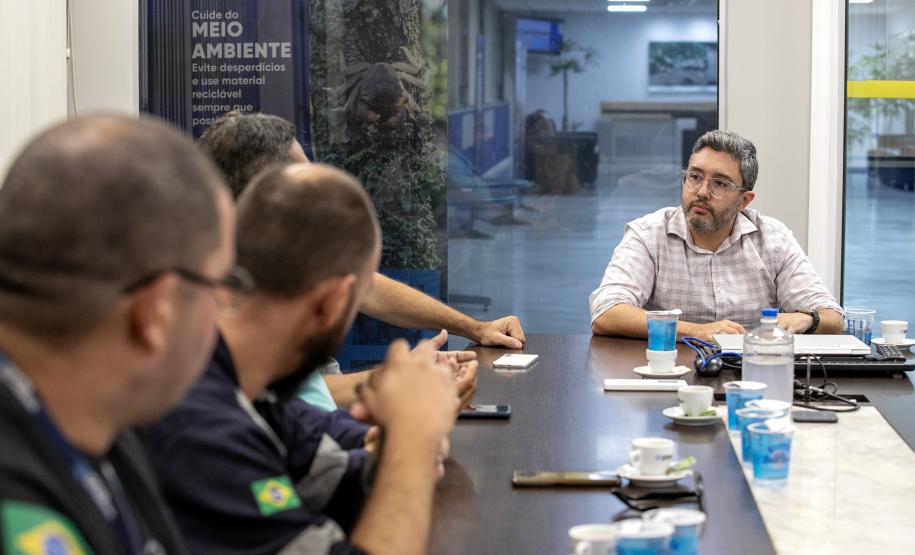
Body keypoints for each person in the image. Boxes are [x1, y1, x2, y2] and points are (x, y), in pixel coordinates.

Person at [146, 163, 461, 555]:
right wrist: (412, 440)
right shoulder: (198, 425)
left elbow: (333, 471)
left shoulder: (250, 385)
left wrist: (397, 441)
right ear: (333, 303)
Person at [0, 115, 235, 553]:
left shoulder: (103, 425)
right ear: (156, 314)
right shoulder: (20, 514)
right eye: (219, 287)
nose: (222, 313)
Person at [198, 111, 526, 350]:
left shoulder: (281, 261)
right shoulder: (225, 304)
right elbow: (299, 405)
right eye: (304, 186)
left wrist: (475, 329)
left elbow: (366, 287)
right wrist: (390, 385)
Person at [590, 130, 843, 342]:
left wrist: (808, 318)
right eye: (695, 177)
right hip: (668, 372)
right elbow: (606, 312)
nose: (701, 192)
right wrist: (696, 331)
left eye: (720, 184)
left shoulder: (773, 239)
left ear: (744, 200)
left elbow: (834, 318)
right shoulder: (648, 235)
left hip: (752, 374)